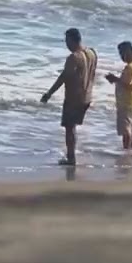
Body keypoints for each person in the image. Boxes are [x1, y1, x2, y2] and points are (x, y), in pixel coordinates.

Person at [40, 28, 98, 166]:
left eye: (67, 41)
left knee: (69, 128)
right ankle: (72, 155)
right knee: (73, 127)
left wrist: (49, 94)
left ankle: (71, 158)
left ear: (72, 40)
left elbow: (64, 77)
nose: (66, 44)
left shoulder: (74, 57)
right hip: (87, 96)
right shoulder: (92, 53)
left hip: (74, 98)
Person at [105, 41, 132, 150]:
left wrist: (115, 79)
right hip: (131, 100)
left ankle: (127, 150)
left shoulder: (130, 68)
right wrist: (117, 80)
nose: (121, 56)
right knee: (130, 127)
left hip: (125, 102)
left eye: (122, 53)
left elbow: (127, 84)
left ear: (129, 52)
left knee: (126, 129)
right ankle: (130, 148)